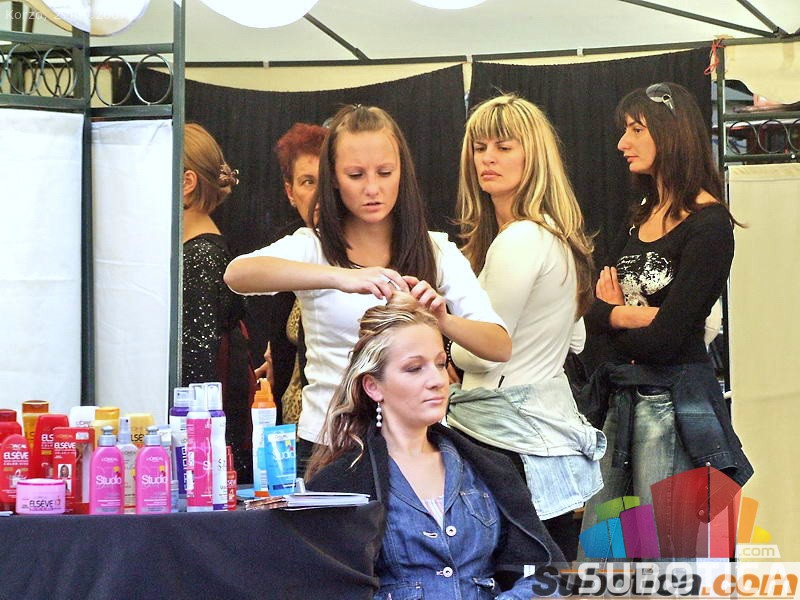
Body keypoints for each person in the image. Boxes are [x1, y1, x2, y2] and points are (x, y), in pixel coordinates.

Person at [224, 105, 511, 474]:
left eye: (385, 173)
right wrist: (338, 276)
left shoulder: (436, 250)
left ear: (402, 173)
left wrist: (443, 320)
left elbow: (499, 345)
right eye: (356, 175)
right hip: (330, 445)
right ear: (333, 179)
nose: (373, 189)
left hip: (418, 447)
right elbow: (238, 274)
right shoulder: (312, 246)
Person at [579, 83, 753, 558]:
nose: (623, 143)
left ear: (672, 133)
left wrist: (616, 317)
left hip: (675, 406)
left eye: (636, 130)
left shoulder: (709, 225)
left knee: (669, 566)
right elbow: (592, 315)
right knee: (602, 562)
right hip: (620, 402)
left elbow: (669, 340)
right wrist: (632, 316)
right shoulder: (637, 217)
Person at [306, 293, 565, 599]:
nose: (437, 380)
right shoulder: (340, 484)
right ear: (373, 386)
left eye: (441, 364)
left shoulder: (489, 469)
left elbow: (550, 575)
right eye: (414, 368)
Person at [446, 94, 605, 562]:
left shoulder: (519, 239)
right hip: (546, 430)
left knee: (513, 574)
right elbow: (575, 340)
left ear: (533, 155)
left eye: (504, 147)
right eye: (480, 148)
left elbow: (481, 353)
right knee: (544, 571)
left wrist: (446, 335)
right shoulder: (556, 235)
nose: (487, 159)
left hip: (503, 435)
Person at [182, 122, 255, 481]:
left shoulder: (201, 257)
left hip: (204, 436)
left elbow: (198, 362)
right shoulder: (194, 252)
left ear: (187, 183)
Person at [250, 123, 327, 424]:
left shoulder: (367, 249)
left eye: (327, 181)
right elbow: (236, 275)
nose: (319, 194)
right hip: (295, 418)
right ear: (290, 192)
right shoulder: (294, 246)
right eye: (308, 182)